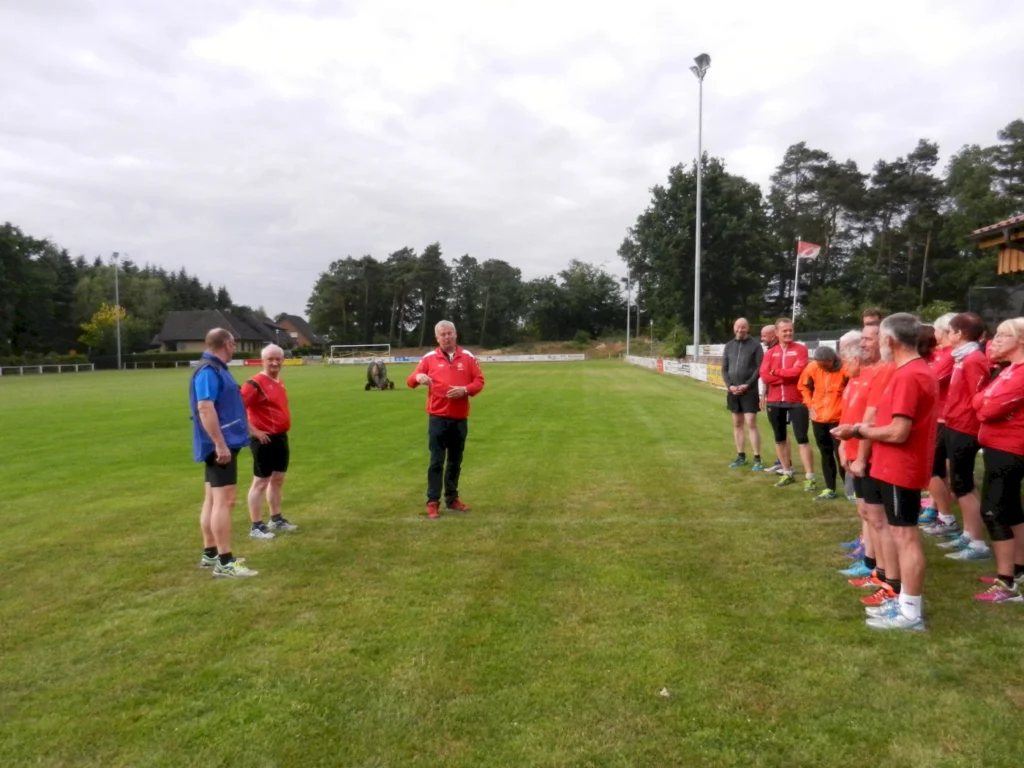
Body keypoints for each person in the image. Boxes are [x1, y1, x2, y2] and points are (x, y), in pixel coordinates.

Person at [834, 313, 938, 631]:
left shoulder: (908, 375)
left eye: (879, 338)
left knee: (905, 537)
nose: (876, 344)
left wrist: (857, 431)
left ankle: (909, 612)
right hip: (897, 465)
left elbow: (897, 432)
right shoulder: (912, 371)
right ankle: (903, 602)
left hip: (900, 466)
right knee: (900, 534)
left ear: (890, 341)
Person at [189, 328, 257, 578]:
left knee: (212, 499)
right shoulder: (209, 371)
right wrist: (219, 444)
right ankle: (225, 562)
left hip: (223, 444)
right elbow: (205, 409)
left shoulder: (216, 369)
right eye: (235, 344)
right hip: (220, 447)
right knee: (224, 501)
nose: (235, 348)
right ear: (228, 344)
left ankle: (211, 553)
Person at [407, 320, 485, 519]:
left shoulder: (467, 357)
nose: (447, 337)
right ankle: (432, 502)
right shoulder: (429, 358)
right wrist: (418, 378)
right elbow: (411, 380)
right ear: (437, 337)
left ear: (456, 334)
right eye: (443, 334)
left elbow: (479, 381)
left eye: (449, 333)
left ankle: (452, 499)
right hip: (438, 418)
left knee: (455, 462)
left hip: (460, 419)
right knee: (436, 462)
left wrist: (465, 390)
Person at [972, 318, 1024, 603]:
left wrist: (985, 405)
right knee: (1012, 510)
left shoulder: (1020, 372)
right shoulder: (1008, 370)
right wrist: (985, 404)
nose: (996, 340)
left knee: (994, 511)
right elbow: (978, 401)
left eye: (1005, 336)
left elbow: (987, 408)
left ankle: (1006, 584)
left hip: (1010, 448)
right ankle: (1017, 570)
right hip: (997, 446)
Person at [934, 312, 993, 562]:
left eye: (949, 331)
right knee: (960, 484)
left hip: (964, 428)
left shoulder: (973, 360)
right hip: (953, 424)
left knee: (963, 485)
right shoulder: (962, 357)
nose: (945, 336)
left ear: (959, 334)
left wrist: (967, 421)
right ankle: (969, 534)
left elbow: (978, 396)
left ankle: (977, 542)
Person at [241, 343, 299, 540]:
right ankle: (256, 525)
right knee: (260, 482)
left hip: (280, 437)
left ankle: (276, 519)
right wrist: (255, 431)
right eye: (270, 359)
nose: (274, 363)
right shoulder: (254, 383)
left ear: (283, 360)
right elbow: (237, 409)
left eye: (278, 359)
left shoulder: (278, 381)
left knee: (278, 479)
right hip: (264, 439)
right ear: (262, 360)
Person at [759, 319, 815, 489]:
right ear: (777, 333)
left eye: (790, 330)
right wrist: (781, 375)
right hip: (775, 401)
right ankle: (786, 472)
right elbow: (764, 375)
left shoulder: (801, 350)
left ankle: (810, 477)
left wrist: (776, 372)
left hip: (797, 400)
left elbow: (798, 372)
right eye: (785, 331)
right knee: (779, 438)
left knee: (802, 439)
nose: (788, 333)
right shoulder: (770, 353)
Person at [920, 313, 957, 530]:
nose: (934, 334)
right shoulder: (940, 353)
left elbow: (929, 379)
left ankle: (946, 516)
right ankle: (939, 511)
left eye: (937, 329)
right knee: (937, 470)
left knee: (930, 469)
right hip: (936, 417)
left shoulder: (950, 354)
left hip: (943, 418)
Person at [798, 345, 849, 501]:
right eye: (819, 365)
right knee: (825, 453)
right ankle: (829, 488)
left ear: (831, 360)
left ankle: (850, 489)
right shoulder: (812, 367)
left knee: (841, 455)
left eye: (824, 365)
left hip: (838, 419)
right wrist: (809, 404)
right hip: (818, 418)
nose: (821, 368)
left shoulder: (845, 369)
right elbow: (803, 386)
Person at [722, 318, 764, 470]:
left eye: (743, 327)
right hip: (733, 391)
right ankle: (741, 456)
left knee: (751, 423)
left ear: (748, 328)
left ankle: (757, 459)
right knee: (737, 424)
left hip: (749, 391)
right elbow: (724, 369)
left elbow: (759, 368)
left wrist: (747, 384)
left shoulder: (755, 345)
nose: (740, 329)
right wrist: (730, 385)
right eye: (738, 327)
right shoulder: (729, 346)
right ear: (734, 328)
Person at [758, 324, 783, 473]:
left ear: (773, 335)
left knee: (782, 433)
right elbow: (766, 375)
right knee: (778, 432)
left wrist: (778, 379)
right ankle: (781, 461)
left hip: (786, 398)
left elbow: (783, 374)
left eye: (764, 336)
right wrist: (763, 394)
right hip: (773, 396)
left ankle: (784, 462)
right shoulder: (769, 351)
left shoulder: (781, 351)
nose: (762, 339)